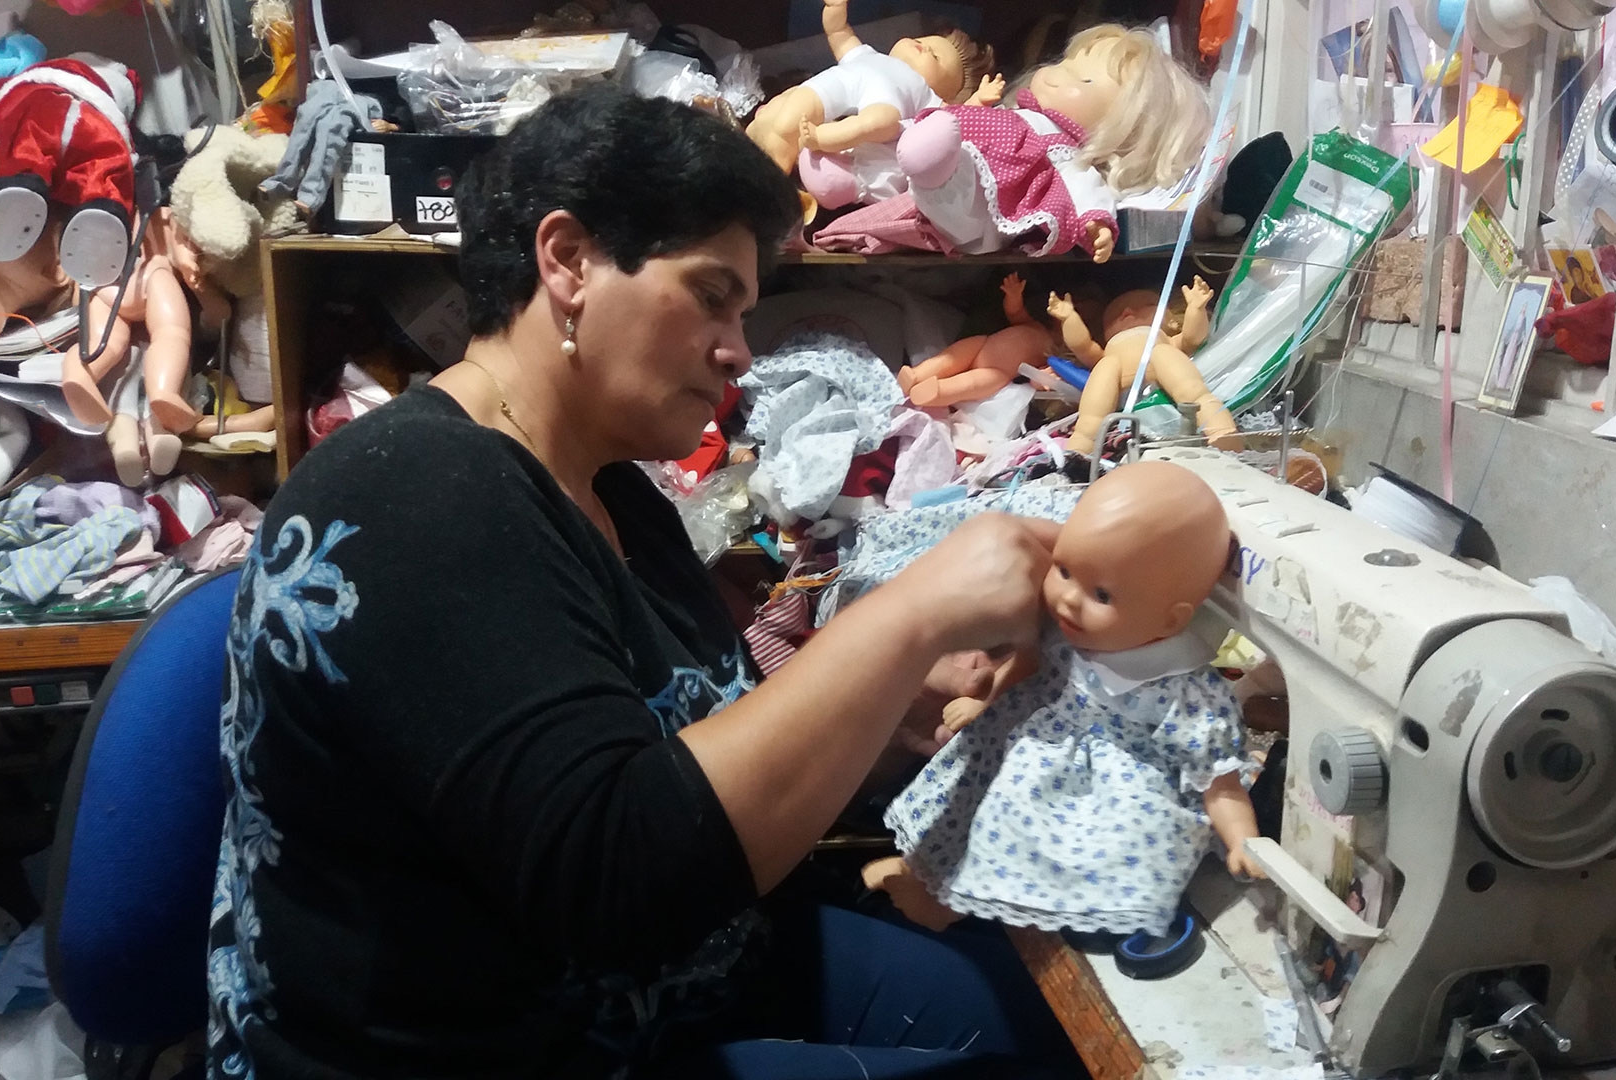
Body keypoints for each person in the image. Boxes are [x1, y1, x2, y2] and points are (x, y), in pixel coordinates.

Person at [206, 84, 1082, 1080]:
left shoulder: (611, 487)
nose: (739, 351)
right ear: (569, 261)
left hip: (679, 981)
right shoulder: (414, 497)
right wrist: (906, 621)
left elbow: (699, 742)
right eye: (711, 295)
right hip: (490, 1053)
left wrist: (887, 709)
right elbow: (622, 884)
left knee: (1043, 1021)